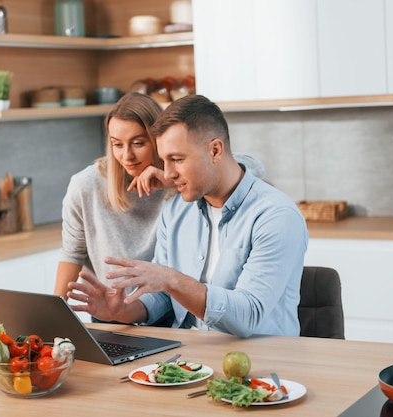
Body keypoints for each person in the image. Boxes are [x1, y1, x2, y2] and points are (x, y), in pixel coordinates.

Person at [66, 94, 309, 337]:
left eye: (177, 159)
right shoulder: (175, 210)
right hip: (186, 360)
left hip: (260, 362)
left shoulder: (276, 217)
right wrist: (120, 310)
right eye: (164, 160)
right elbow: (162, 297)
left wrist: (171, 279)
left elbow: (248, 316)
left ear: (215, 150)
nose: (168, 174)